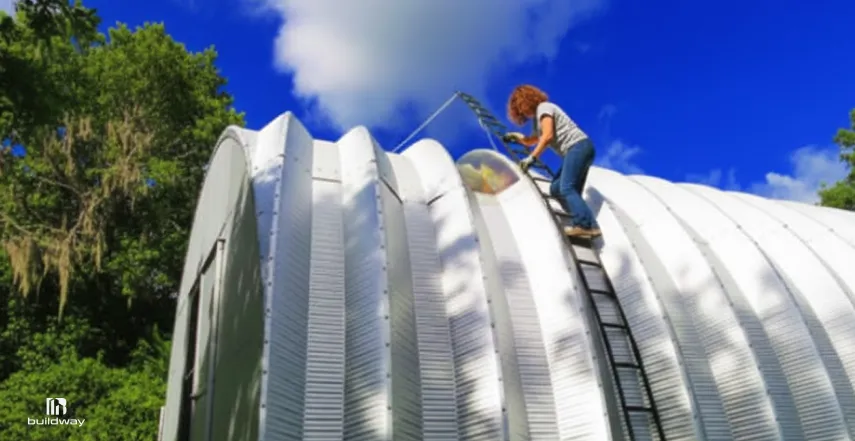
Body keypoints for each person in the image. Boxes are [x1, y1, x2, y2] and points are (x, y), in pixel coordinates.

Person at [503, 84, 601, 238]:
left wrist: (532, 158)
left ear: (528, 100)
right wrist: (517, 137)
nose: (524, 113)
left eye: (523, 107)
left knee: (567, 188)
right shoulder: (538, 120)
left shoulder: (544, 107)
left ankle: (584, 224)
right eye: (521, 112)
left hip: (578, 146)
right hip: (576, 150)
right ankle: (585, 221)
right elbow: (533, 140)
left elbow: (547, 136)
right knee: (556, 189)